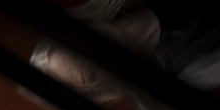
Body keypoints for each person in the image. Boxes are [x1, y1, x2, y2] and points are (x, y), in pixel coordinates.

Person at [30, 0, 220, 104]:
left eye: (78, 43)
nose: (94, 48)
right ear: (103, 86)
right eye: (89, 70)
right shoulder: (184, 77)